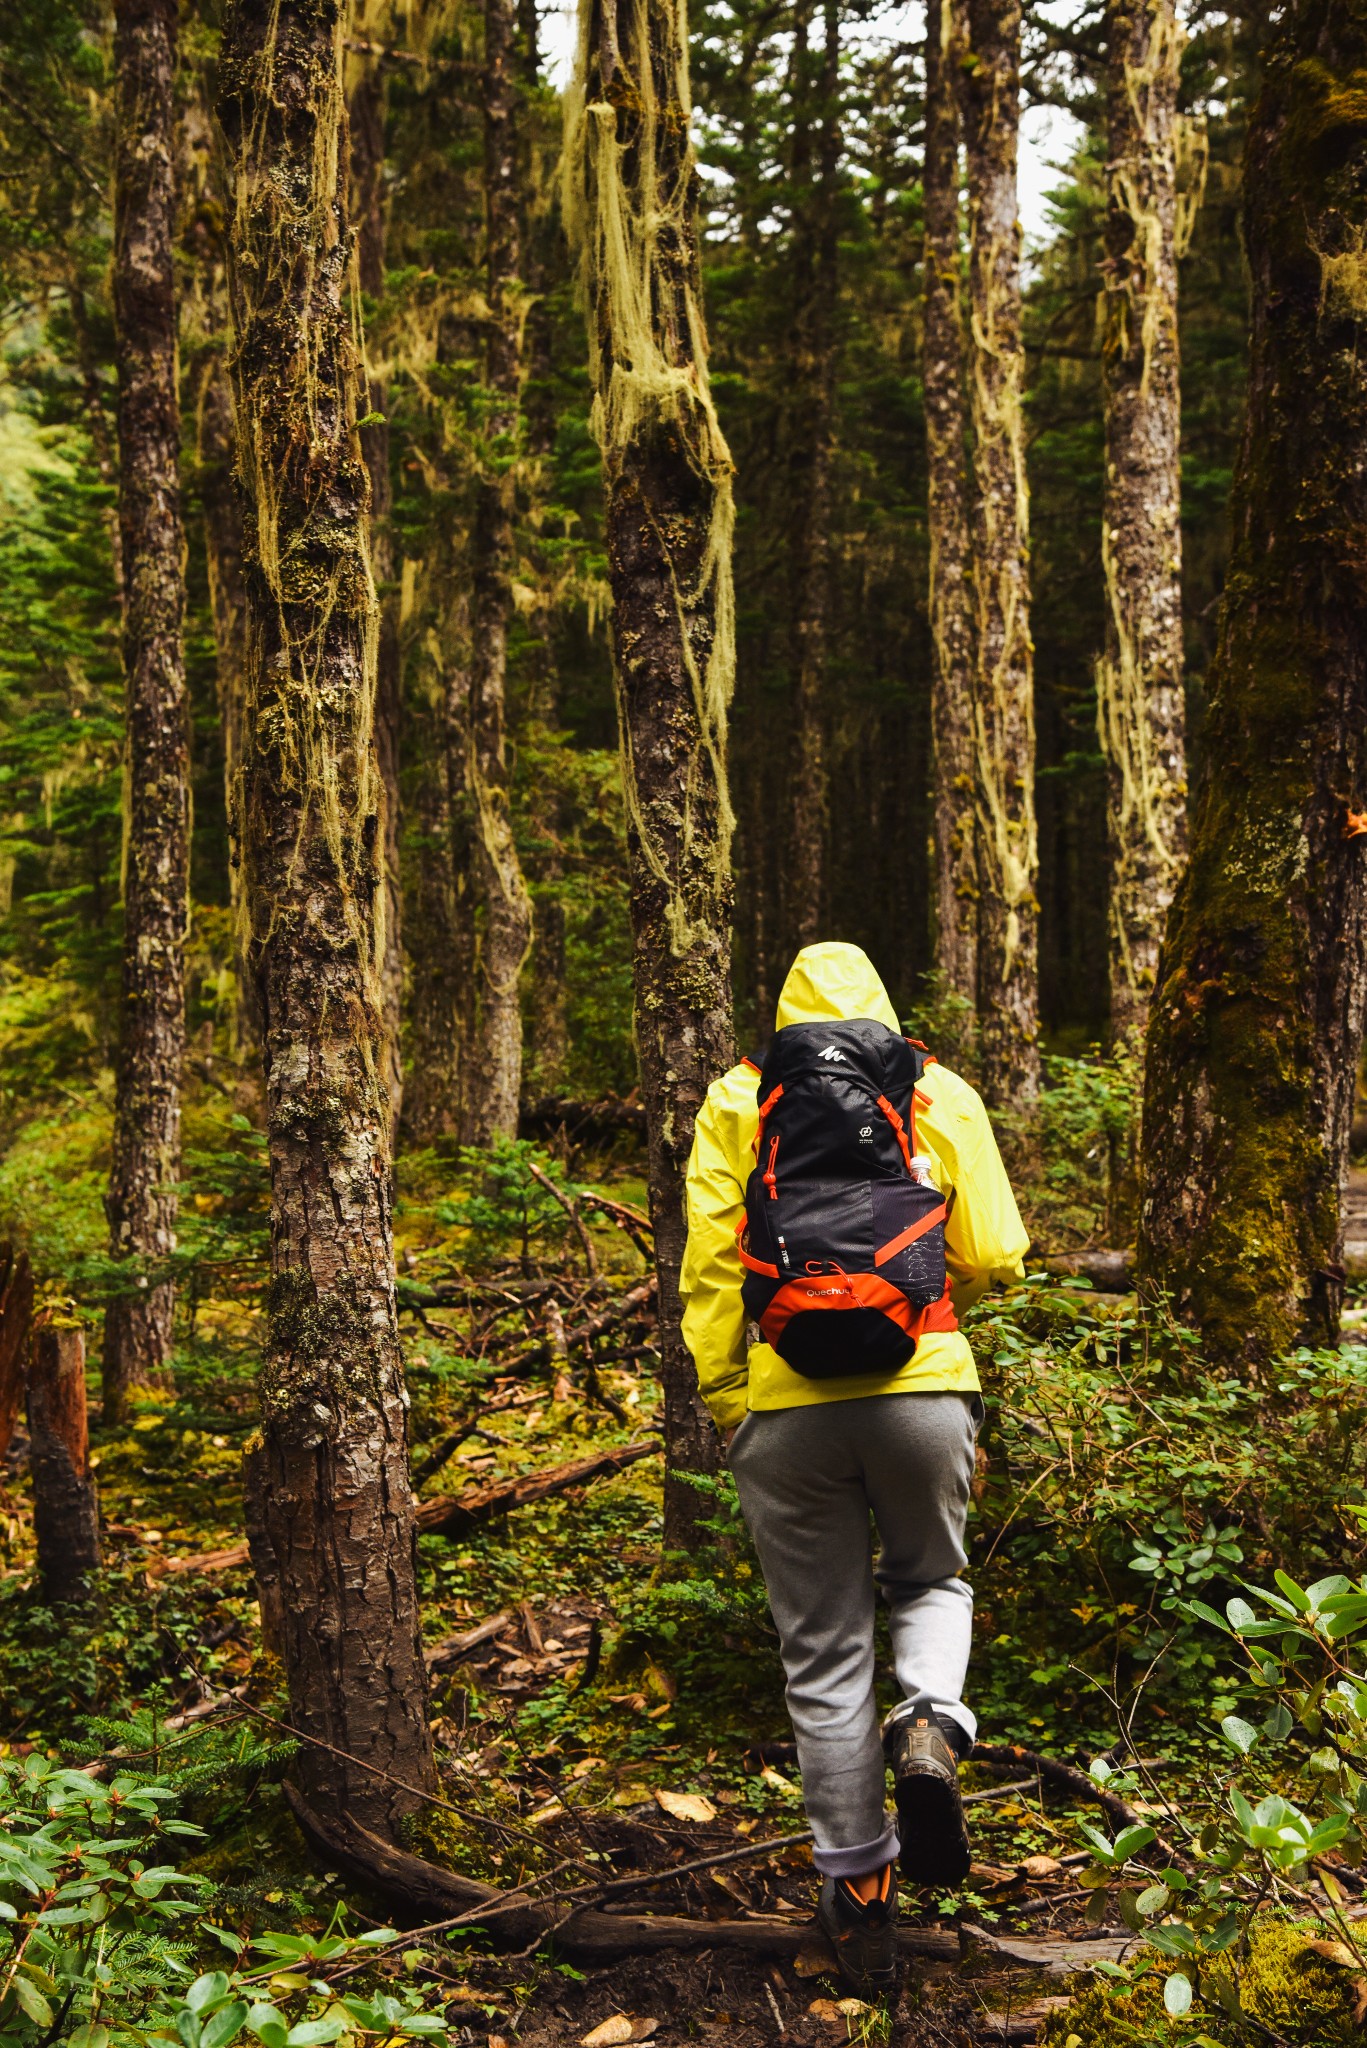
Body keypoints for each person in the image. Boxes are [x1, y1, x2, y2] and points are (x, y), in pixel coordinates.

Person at [679, 942, 1028, 1995]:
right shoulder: (934, 1087)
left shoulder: (739, 1096)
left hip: (785, 1399)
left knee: (822, 1652)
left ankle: (860, 1899)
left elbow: (706, 1264)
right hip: (922, 1383)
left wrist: (731, 1395)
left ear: (780, 1009)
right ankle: (928, 1719)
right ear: (883, 1002)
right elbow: (997, 1250)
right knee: (931, 1577)